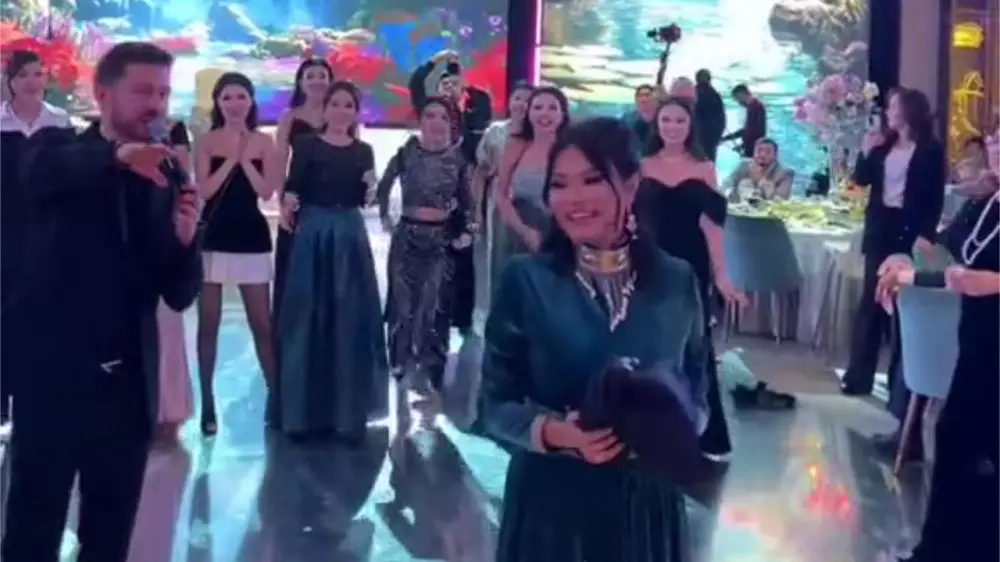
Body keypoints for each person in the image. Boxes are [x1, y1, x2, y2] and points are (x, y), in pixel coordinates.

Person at [1, 41, 201, 562]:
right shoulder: (55, 146)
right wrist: (118, 156)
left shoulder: (165, 176)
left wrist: (185, 241)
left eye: (163, 93)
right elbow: (42, 173)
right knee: (31, 535)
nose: (155, 104)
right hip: (52, 381)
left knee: (109, 541)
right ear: (103, 94)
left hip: (128, 391)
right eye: (142, 91)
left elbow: (178, 293)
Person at [480, 117, 708, 561]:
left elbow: (698, 387)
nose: (573, 199)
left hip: (647, 506)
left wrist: (670, 427)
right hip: (552, 505)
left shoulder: (676, 280)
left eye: (591, 180)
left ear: (631, 185)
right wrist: (557, 433)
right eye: (559, 184)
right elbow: (492, 404)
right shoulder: (526, 280)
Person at [875, 173, 997, 562]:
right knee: (955, 442)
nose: (996, 149)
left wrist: (993, 284)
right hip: (977, 343)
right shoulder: (983, 204)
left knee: (984, 454)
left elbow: (979, 278)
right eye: (993, 143)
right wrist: (905, 269)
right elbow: (950, 263)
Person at [634, 97, 744, 461]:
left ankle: (701, 433)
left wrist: (723, 275)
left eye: (679, 121)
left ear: (690, 126)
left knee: (694, 347)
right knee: (648, 344)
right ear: (657, 124)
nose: (672, 127)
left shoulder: (704, 168)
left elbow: (712, 228)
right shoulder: (642, 165)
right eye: (666, 120)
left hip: (690, 266)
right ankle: (646, 430)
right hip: (648, 263)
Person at [278, 81, 388, 443]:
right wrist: (288, 205)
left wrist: (371, 190)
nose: (342, 111)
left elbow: (365, 199)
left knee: (349, 319)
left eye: (348, 105)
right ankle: (302, 415)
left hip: (349, 234)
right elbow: (294, 186)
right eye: (336, 104)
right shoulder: (307, 145)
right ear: (325, 109)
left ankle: (347, 414)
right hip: (314, 231)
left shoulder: (363, 151)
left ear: (356, 113)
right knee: (308, 318)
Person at [840, 88, 945, 410]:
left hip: (910, 230)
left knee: (903, 306)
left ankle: (900, 382)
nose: (888, 112)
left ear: (908, 110)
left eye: (893, 107)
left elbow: (935, 197)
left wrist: (926, 234)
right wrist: (865, 151)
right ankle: (859, 375)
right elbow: (860, 181)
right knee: (871, 302)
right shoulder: (883, 145)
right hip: (881, 227)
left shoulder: (930, 149)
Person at [377, 97, 475, 421]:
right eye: (429, 115)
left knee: (435, 311)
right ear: (420, 121)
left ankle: (432, 381)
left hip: (440, 241)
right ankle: (400, 373)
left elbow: (469, 202)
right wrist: (385, 215)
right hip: (406, 238)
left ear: (451, 123)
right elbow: (384, 184)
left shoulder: (458, 160)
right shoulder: (407, 152)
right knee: (402, 307)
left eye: (442, 117)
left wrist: (468, 231)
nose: (435, 122)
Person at [194, 72, 277, 435]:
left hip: (251, 236)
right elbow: (205, 190)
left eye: (241, 96)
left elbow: (267, 192)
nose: (234, 104)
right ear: (217, 103)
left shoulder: (264, 141)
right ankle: (207, 402)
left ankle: (277, 397)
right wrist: (231, 159)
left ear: (251, 101)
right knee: (208, 324)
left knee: (262, 324)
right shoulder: (207, 142)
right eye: (227, 97)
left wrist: (246, 160)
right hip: (215, 236)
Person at [0, 50, 72, 424]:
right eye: (23, 75)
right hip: (5, 231)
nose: (31, 81)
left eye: (37, 74)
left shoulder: (60, 121)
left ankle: (38, 402)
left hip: (48, 232)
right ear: (10, 81)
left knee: (44, 314)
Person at [409, 51, 492, 335]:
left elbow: (484, 108)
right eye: (444, 85)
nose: (449, 89)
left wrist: (464, 89)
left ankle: (463, 318)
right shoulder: (432, 114)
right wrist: (435, 62)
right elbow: (416, 83)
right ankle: (429, 314)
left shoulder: (474, 112)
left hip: (466, 192)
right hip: (433, 195)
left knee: (465, 255)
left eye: (454, 84)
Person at [272, 58, 333, 343]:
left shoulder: (341, 114)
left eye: (322, 75)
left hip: (332, 204)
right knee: (295, 277)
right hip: (298, 204)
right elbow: (279, 161)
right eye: (311, 76)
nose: (317, 81)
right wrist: (281, 201)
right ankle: (292, 342)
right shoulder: (290, 118)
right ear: (300, 82)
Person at [473, 80, 534, 303]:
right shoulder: (495, 132)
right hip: (499, 202)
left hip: (532, 202)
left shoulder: (540, 134)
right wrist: (476, 211)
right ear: (509, 102)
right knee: (498, 256)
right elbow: (480, 173)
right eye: (517, 98)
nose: (522, 104)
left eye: (528, 100)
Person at [154, 118, 195, 444]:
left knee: (167, 325)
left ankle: (169, 410)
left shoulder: (174, 130)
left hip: (167, 237)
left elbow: (185, 183)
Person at [494, 86, 570, 259]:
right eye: (538, 107)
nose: (544, 113)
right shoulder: (517, 146)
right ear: (528, 113)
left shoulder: (570, 151)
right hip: (518, 234)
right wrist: (524, 231)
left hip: (560, 235)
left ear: (563, 114)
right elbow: (501, 194)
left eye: (552, 108)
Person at [724, 138, 794, 201]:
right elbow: (726, 185)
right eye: (759, 151)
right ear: (754, 153)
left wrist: (761, 180)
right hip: (740, 206)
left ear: (775, 155)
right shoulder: (744, 165)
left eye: (768, 152)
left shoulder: (786, 173)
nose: (762, 154)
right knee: (746, 183)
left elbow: (780, 199)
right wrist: (730, 194)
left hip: (768, 209)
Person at [722, 84, 766, 158]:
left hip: (753, 151)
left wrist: (743, 146)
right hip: (750, 148)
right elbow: (748, 130)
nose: (738, 102)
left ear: (742, 95)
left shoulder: (756, 107)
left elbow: (757, 132)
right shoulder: (751, 107)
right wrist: (727, 139)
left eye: (737, 99)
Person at [694, 69, 726, 162]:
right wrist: (718, 136)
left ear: (696, 79)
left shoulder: (692, 94)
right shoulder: (715, 95)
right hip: (711, 138)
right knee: (709, 162)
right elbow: (722, 120)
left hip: (694, 137)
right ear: (709, 79)